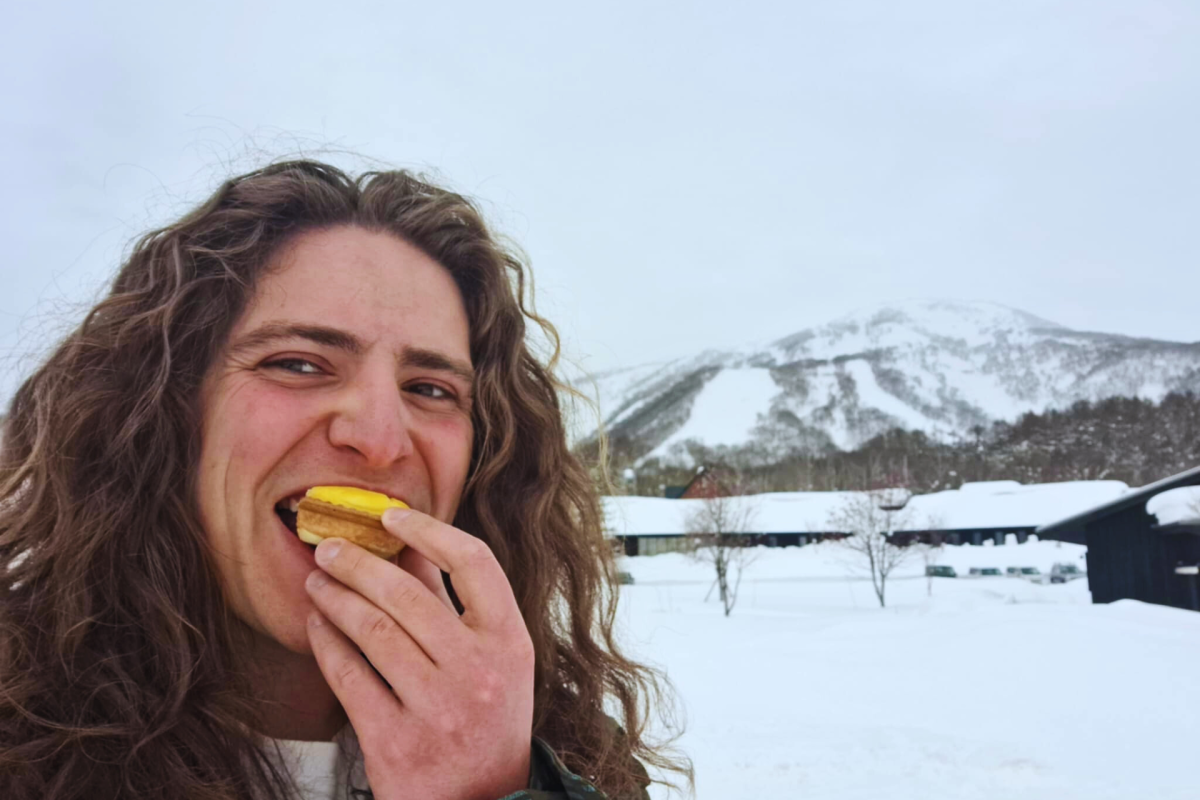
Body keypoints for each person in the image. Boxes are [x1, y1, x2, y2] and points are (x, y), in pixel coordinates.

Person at [0, 161, 689, 799]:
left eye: (430, 388)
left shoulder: (564, 753)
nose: (381, 440)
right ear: (163, 412)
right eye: (297, 364)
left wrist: (502, 787)